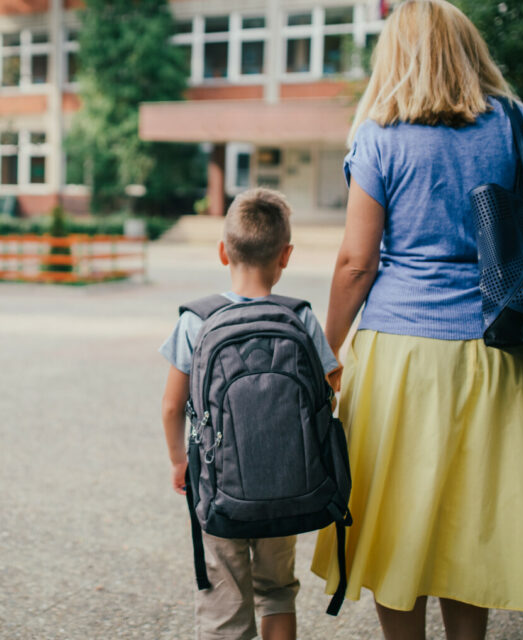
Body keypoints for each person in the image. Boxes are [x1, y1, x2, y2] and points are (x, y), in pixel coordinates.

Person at [310, 1, 523, 639]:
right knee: (474, 520)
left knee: (397, 520)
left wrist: (324, 350)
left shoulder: (379, 135)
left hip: (400, 356)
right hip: (494, 349)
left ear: (396, 56)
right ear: (469, 50)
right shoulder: (515, 125)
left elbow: (357, 263)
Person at [159, 188, 342, 640]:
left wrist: (178, 460)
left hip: (219, 488)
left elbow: (170, 406)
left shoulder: (195, 320)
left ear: (223, 251)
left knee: (224, 599)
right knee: (277, 590)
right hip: (288, 484)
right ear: (286, 256)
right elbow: (329, 389)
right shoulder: (300, 317)